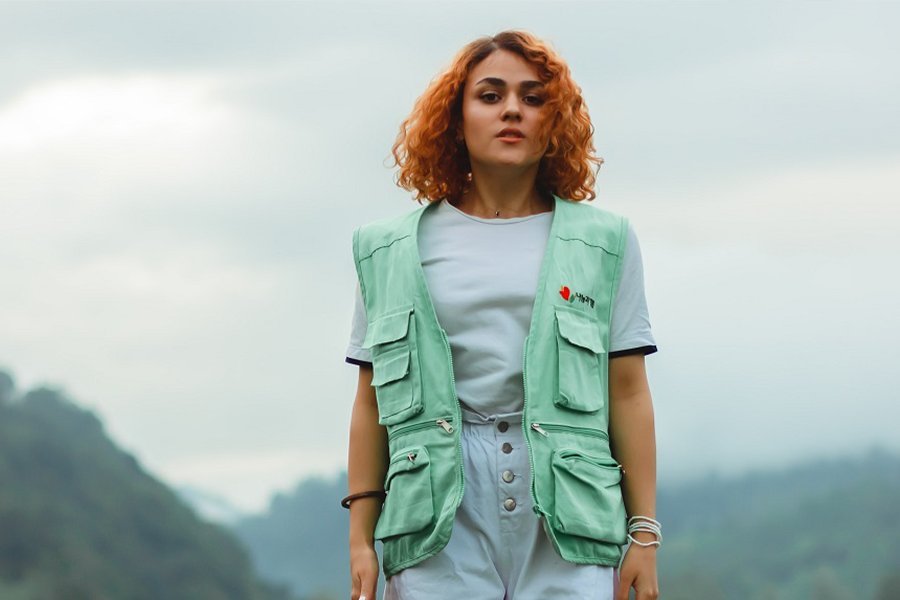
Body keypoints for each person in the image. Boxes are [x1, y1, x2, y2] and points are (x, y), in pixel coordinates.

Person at [343, 30, 660, 600]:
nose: (512, 109)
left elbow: (629, 391)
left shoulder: (605, 242)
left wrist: (644, 533)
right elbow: (370, 400)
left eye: (533, 98)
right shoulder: (387, 248)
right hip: (436, 505)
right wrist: (360, 541)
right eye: (490, 96)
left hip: (571, 502)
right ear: (455, 117)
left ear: (554, 120)